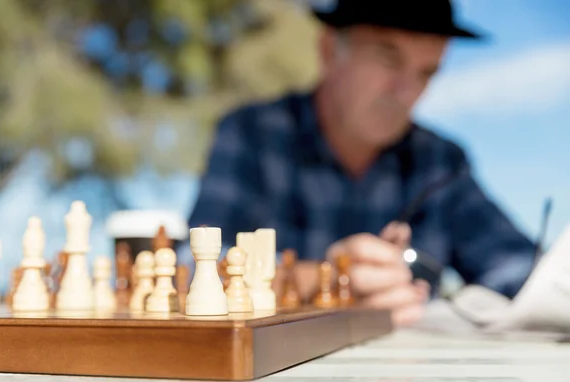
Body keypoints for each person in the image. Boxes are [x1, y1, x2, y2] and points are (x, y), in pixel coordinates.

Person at [186, 0, 537, 326]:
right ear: (328, 51)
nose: (406, 90)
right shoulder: (253, 135)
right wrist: (327, 279)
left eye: (426, 72)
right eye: (389, 58)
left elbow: (518, 268)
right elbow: (190, 268)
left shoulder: (441, 161)